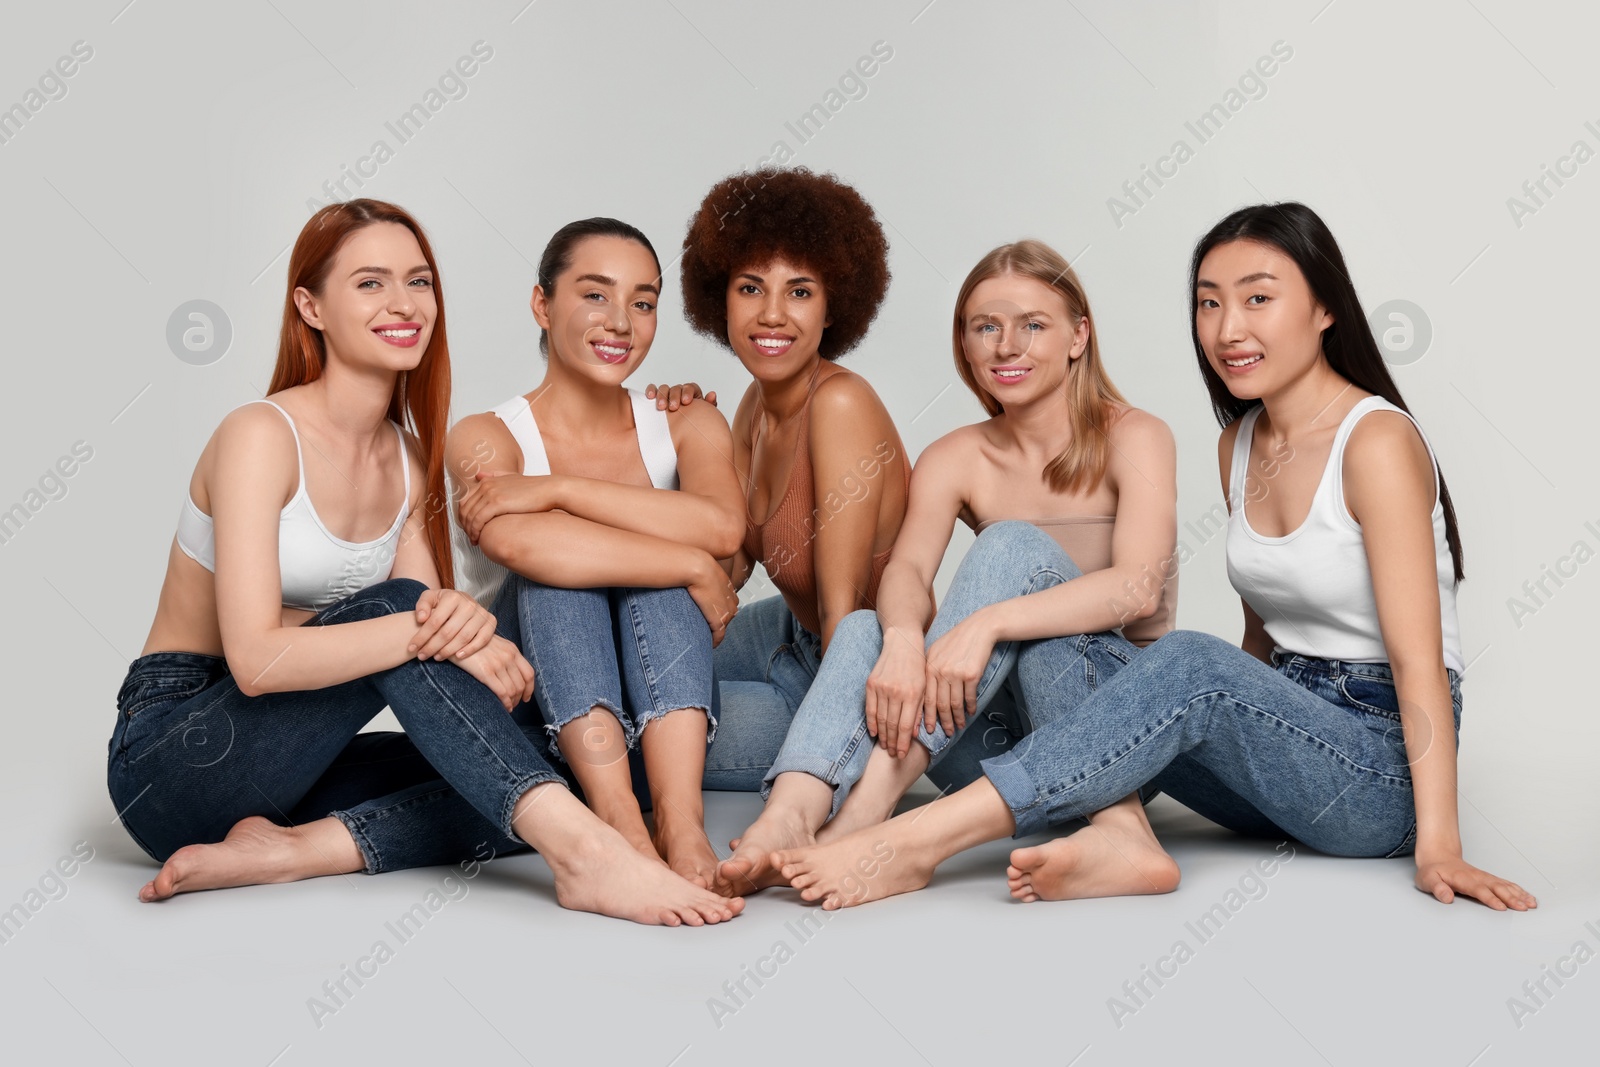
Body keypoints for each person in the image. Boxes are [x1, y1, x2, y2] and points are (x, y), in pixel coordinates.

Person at [765, 202, 1538, 914]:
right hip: (1283, 747)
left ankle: (914, 839)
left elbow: (1418, 660)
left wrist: (1437, 842)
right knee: (1042, 632)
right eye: (1209, 302)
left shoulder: (1376, 441)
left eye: (1257, 298)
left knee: (1186, 659)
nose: (1228, 326)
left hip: (1378, 768)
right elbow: (1261, 643)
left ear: (1326, 307)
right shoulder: (1240, 443)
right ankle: (1117, 835)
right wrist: (1233, 713)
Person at [106, 199, 740, 926]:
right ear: (310, 306)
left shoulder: (408, 459)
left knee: (547, 765)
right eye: (371, 284)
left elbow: (443, 643)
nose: (404, 304)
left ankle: (297, 850)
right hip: (176, 755)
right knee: (406, 610)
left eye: (419, 282)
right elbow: (256, 659)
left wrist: (460, 635)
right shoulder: (260, 434)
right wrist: (446, 627)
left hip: (292, 759)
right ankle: (586, 856)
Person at [718, 239, 1178, 891]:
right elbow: (906, 571)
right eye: (985, 327)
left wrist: (989, 623)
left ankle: (865, 817)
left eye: (1032, 325)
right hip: (984, 744)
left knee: (1011, 546)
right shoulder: (956, 455)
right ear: (965, 344)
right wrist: (906, 641)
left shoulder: (1137, 436)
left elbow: (1137, 588)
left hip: (1110, 740)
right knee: (867, 626)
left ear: (1078, 336)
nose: (1006, 346)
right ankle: (791, 814)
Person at [447, 217, 749, 889]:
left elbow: (724, 528)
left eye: (643, 302)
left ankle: (681, 822)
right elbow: (515, 539)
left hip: (664, 722)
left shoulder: (688, 420)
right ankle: (619, 823)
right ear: (542, 304)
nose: (621, 321)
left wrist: (555, 487)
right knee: (556, 577)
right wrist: (692, 564)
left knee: (649, 575)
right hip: (530, 713)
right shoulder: (485, 434)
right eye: (594, 294)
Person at [654, 167, 915, 895]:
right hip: (783, 639)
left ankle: (794, 807)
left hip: (852, 674)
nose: (772, 314)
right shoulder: (749, 406)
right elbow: (721, 570)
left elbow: (845, 616)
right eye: (749, 288)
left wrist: (832, 751)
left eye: (799, 290)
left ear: (835, 305)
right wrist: (682, 433)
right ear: (719, 300)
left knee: (642, 739)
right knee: (654, 653)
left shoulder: (841, 406)